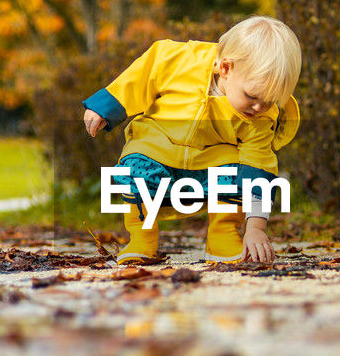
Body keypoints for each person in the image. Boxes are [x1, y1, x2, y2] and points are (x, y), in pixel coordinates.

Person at [82, 16, 301, 265]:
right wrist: (104, 107)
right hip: (157, 146)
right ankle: (142, 239)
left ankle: (223, 234)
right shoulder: (178, 60)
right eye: (252, 96)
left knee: (239, 173)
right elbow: (139, 78)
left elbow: (258, 170)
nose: (260, 106)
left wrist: (256, 228)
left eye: (270, 101)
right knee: (135, 170)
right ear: (226, 68)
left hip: (211, 163)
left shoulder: (260, 118)